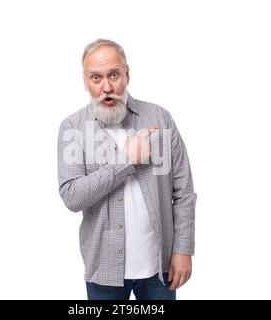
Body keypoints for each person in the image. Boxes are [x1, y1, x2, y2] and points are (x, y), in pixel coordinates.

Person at [57, 39, 197, 300]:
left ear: (127, 74)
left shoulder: (160, 119)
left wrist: (183, 249)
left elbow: (184, 191)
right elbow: (72, 196)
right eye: (96, 78)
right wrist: (126, 160)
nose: (107, 87)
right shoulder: (72, 128)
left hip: (161, 268)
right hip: (103, 270)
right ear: (85, 82)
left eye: (114, 75)